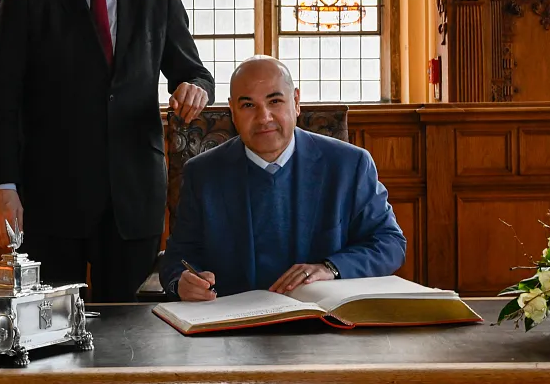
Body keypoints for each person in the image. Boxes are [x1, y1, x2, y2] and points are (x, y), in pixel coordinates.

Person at [0, 0, 214, 302]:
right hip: (51, 195)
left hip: (134, 196)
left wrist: (194, 88)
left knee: (132, 336)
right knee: (49, 334)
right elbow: (1, 95)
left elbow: (193, 72)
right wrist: (1, 187)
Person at [160, 56, 405, 301]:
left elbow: (389, 243)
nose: (264, 117)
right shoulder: (203, 173)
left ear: (296, 102)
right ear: (232, 111)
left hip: (322, 324)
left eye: (275, 101)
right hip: (232, 325)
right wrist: (181, 281)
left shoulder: (349, 165)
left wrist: (330, 268)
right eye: (248, 105)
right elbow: (178, 256)